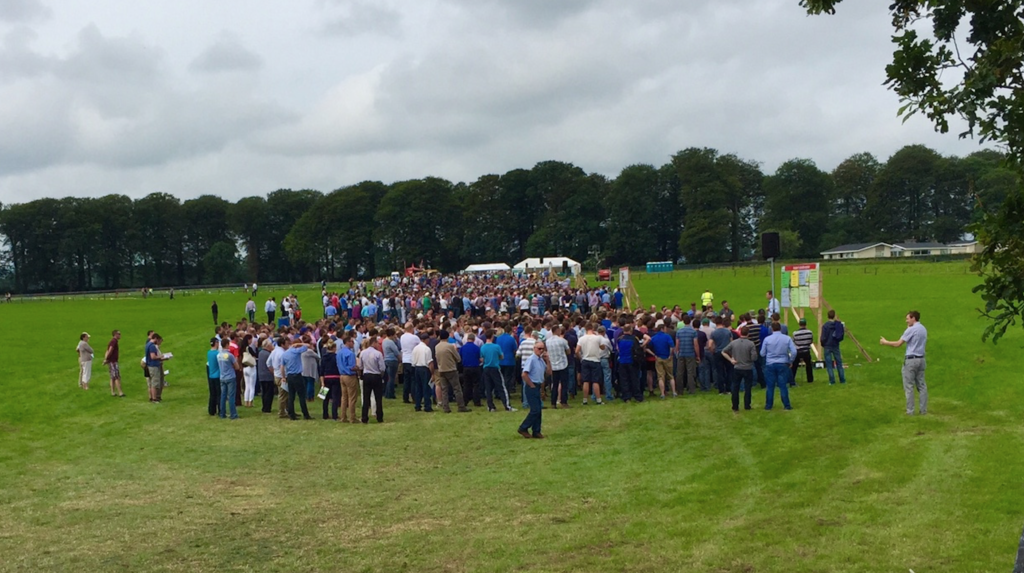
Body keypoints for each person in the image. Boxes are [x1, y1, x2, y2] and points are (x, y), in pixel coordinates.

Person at [881, 310, 928, 415]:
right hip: (921, 359)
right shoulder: (923, 329)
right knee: (922, 385)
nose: (906, 321)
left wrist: (885, 342)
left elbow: (898, 344)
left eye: (907, 319)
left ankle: (910, 411)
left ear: (913, 318)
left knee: (909, 386)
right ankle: (923, 410)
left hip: (911, 360)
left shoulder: (911, 330)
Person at [518, 339, 551, 439]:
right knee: (535, 410)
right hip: (532, 386)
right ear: (534, 349)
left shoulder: (541, 360)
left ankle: (536, 431)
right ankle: (523, 427)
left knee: (538, 410)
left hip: (538, 385)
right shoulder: (531, 359)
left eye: (542, 349)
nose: (541, 350)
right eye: (539, 348)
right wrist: (531, 385)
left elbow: (548, 372)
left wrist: (548, 360)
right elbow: (524, 374)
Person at [722, 326, 758, 412]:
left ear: (740, 332)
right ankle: (747, 405)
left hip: (737, 367)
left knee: (735, 387)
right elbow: (754, 358)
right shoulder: (751, 344)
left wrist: (731, 360)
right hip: (748, 368)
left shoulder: (734, 343)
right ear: (748, 333)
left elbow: (723, 351)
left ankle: (735, 406)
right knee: (748, 387)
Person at [760, 322, 795, 411]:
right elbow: (794, 351)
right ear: (780, 329)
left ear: (771, 329)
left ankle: (768, 405)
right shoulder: (787, 338)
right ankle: (786, 405)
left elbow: (762, 353)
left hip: (770, 364)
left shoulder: (767, 339)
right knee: (783, 385)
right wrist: (790, 360)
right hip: (783, 363)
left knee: (770, 386)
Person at [435, 330, 470, 413]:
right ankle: (461, 406)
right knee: (457, 389)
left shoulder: (437, 346)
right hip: (451, 369)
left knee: (444, 389)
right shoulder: (450, 346)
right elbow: (458, 358)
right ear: (447, 337)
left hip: (441, 369)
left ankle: (446, 407)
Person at [480, 330, 513, 412]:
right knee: (501, 386)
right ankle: (506, 405)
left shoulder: (483, 347)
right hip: (495, 367)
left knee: (488, 388)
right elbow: (501, 357)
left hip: (486, 368)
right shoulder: (496, 347)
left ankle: (490, 406)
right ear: (492, 337)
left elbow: (481, 359)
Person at [576, 323, 607, 405]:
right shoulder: (597, 338)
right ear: (593, 328)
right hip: (595, 360)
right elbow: (603, 347)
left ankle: (585, 400)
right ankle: (598, 399)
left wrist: (580, 358)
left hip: (585, 359)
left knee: (586, 381)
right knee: (595, 381)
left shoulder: (581, 338)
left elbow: (577, 351)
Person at [283, 337, 313, 420]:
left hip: (289, 376)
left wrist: (283, 376)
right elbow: (307, 345)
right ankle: (305, 414)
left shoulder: (285, 354)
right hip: (297, 375)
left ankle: (291, 414)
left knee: (291, 396)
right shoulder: (296, 352)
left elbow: (282, 366)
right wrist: (299, 344)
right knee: (301, 396)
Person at [359, 336, 386, 423]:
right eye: (377, 343)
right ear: (374, 343)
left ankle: (364, 417)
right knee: (378, 397)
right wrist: (381, 375)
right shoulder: (378, 354)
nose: (378, 345)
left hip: (366, 375)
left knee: (366, 397)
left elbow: (360, 366)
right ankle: (379, 417)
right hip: (376, 375)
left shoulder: (363, 353)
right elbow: (382, 368)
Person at [546, 326, 571, 408]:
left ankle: (553, 402)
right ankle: (564, 401)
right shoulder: (562, 341)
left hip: (553, 365)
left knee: (554, 384)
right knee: (564, 384)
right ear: (557, 331)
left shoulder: (547, 341)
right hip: (563, 364)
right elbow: (568, 351)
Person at [649, 324, 677, 398]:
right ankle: (674, 392)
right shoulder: (667, 336)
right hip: (667, 357)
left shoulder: (654, 338)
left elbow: (648, 347)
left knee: (660, 377)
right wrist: (670, 355)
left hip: (658, 358)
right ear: (662, 329)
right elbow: (672, 346)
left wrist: (654, 354)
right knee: (670, 376)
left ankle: (662, 393)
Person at [820, 310, 847, 385]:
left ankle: (832, 381)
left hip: (827, 346)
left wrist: (823, 344)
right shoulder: (837, 325)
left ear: (827, 316)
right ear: (834, 316)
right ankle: (842, 380)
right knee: (839, 363)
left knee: (829, 364)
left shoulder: (825, 326)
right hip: (835, 345)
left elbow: (823, 338)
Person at [337, 334, 359, 423]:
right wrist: (358, 367)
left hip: (342, 375)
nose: (353, 343)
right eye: (352, 342)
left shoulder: (339, 352)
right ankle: (352, 418)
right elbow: (352, 367)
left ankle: (343, 417)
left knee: (344, 397)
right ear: (348, 342)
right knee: (352, 398)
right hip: (349, 376)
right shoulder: (350, 353)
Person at [411, 332, 435, 412]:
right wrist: (432, 373)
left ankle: (417, 405)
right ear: (426, 340)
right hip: (424, 369)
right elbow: (430, 362)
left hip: (417, 367)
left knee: (418, 387)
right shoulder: (427, 349)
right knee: (426, 387)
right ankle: (427, 406)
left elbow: (413, 361)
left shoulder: (415, 348)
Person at [675, 318, 700, 394]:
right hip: (690, 353)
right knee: (690, 372)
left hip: (681, 353)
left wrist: (677, 352)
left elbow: (677, 343)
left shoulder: (679, 331)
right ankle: (691, 389)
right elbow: (695, 344)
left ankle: (679, 390)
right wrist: (698, 355)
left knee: (680, 372)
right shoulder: (693, 332)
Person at [217, 339, 239, 420]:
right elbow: (237, 366)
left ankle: (222, 413)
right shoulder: (230, 355)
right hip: (230, 377)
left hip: (222, 377)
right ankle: (233, 414)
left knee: (223, 396)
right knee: (231, 396)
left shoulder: (219, 355)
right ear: (226, 344)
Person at [145, 333, 169, 402]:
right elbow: (153, 357)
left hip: (152, 365)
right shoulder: (152, 346)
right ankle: (154, 399)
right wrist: (161, 356)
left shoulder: (148, 344)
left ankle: (156, 397)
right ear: (155, 338)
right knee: (155, 383)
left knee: (155, 382)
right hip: (153, 366)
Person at [321, 341, 341, 420]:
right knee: (335, 397)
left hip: (326, 378)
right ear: (334, 348)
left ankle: (325, 414)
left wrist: (322, 381)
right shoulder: (336, 357)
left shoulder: (323, 358)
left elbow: (321, 370)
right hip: (336, 377)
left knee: (324, 397)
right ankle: (334, 415)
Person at [791, 318, 815, 385]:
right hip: (806, 351)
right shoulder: (810, 332)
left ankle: (792, 378)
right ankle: (810, 379)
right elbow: (811, 341)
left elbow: (794, 342)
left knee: (794, 365)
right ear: (805, 324)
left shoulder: (795, 333)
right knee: (809, 365)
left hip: (798, 352)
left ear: (799, 324)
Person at [103, 330, 125, 397]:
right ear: (115, 334)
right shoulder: (114, 341)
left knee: (112, 377)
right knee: (116, 377)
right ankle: (120, 392)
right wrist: (106, 359)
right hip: (113, 362)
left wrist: (106, 359)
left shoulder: (113, 341)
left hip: (111, 361)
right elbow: (110, 350)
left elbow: (107, 350)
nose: (120, 335)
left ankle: (113, 392)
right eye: (119, 334)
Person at [256, 339, 275, 413]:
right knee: (269, 392)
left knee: (264, 392)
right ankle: (267, 407)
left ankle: (264, 407)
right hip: (268, 375)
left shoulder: (260, 353)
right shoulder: (268, 354)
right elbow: (270, 365)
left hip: (261, 375)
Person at [382, 328, 401, 399]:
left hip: (386, 360)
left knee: (388, 378)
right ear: (392, 335)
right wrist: (400, 359)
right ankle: (390, 393)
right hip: (392, 360)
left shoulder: (384, 341)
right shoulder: (391, 342)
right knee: (392, 378)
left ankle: (387, 392)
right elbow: (396, 351)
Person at [241, 335, 258, 407]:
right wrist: (256, 347)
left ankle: (246, 401)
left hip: (245, 368)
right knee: (252, 386)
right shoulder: (249, 348)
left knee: (247, 386)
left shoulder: (242, 348)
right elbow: (256, 355)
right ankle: (250, 402)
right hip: (251, 367)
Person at [205, 338, 221, 416]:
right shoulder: (217, 353)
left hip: (211, 375)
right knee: (219, 394)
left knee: (212, 393)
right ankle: (220, 410)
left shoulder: (209, 353)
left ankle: (212, 410)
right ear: (216, 343)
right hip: (217, 375)